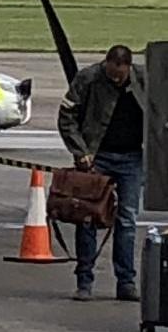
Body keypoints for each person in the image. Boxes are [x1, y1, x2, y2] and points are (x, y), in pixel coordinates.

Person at [58, 45, 147, 302]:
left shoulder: (145, 79)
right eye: (111, 75)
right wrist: (80, 151)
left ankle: (126, 282)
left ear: (129, 67)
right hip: (97, 158)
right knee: (87, 218)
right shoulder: (89, 78)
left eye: (120, 76)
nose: (116, 80)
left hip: (132, 158)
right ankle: (84, 280)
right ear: (106, 64)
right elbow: (67, 116)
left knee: (127, 221)